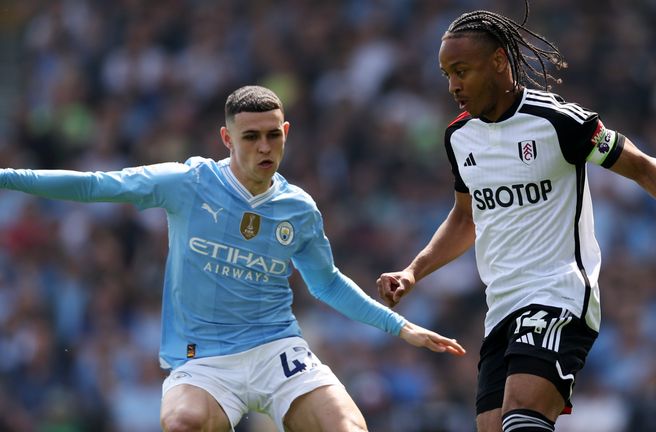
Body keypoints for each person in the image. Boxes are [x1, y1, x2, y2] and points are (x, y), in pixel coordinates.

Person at [0, 85, 466, 432]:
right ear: (227, 138)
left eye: (272, 136)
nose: (264, 148)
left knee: (347, 428)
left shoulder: (298, 209)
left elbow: (325, 283)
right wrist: (8, 177)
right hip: (203, 358)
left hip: (276, 349)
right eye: (250, 138)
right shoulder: (187, 183)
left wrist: (400, 327)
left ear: (285, 133)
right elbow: (96, 185)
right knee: (182, 423)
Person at [376, 6, 656, 432]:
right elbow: (464, 218)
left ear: (497, 62)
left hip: (558, 292)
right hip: (502, 307)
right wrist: (414, 272)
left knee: (523, 413)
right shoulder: (459, 137)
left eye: (462, 71)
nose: (453, 85)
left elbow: (642, 166)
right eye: (446, 74)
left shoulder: (557, 121)